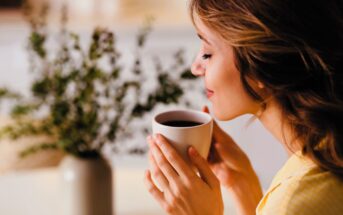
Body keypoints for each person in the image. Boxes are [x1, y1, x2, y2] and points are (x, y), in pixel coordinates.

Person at [143, 0, 343, 214]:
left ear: (261, 63)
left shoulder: (294, 204)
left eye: (208, 54)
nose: (195, 68)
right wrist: (244, 189)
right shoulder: (327, 158)